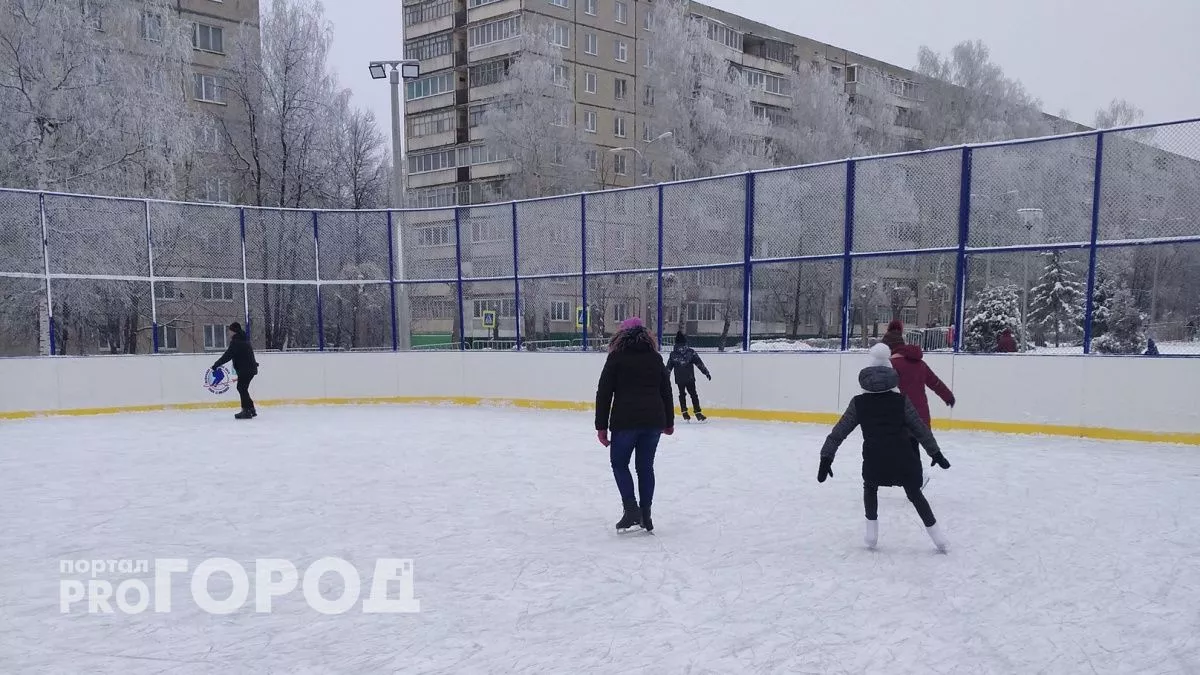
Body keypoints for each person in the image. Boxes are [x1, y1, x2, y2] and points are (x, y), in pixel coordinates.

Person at [818, 355, 952, 553]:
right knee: (914, 493)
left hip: (875, 459)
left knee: (870, 487)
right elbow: (920, 429)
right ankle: (938, 537)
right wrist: (936, 453)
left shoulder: (859, 403)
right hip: (904, 458)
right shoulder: (901, 401)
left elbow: (839, 432)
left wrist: (826, 457)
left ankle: (871, 534)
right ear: (892, 377)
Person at [595, 318, 674, 533]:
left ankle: (631, 510)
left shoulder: (616, 358)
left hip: (625, 421)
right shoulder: (655, 358)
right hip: (653, 421)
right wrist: (669, 422)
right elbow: (666, 392)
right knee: (645, 467)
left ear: (620, 336)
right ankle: (646, 515)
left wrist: (601, 427)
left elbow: (604, 394)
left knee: (620, 464)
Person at [212, 322, 259, 419]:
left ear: (234, 331)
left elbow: (228, 355)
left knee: (241, 388)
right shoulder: (243, 339)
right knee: (242, 388)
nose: (229, 332)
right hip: (249, 368)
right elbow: (247, 354)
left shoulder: (236, 342)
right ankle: (250, 409)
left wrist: (216, 364)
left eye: (230, 330)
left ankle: (246, 411)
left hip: (245, 369)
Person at [666, 331, 712, 422]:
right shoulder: (690, 352)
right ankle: (698, 413)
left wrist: (665, 378)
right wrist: (706, 372)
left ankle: (684, 413)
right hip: (689, 377)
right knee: (693, 394)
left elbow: (668, 368)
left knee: (682, 394)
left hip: (679, 379)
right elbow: (699, 363)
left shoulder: (673, 354)